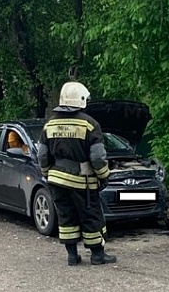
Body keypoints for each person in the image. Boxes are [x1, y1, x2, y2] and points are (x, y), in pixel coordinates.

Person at [38, 82, 116, 266]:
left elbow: (42, 155)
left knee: (66, 217)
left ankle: (72, 256)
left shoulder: (50, 124)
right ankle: (97, 255)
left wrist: (47, 173)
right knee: (91, 216)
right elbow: (97, 157)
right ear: (81, 99)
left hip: (56, 180)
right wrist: (104, 175)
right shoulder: (89, 124)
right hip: (82, 181)